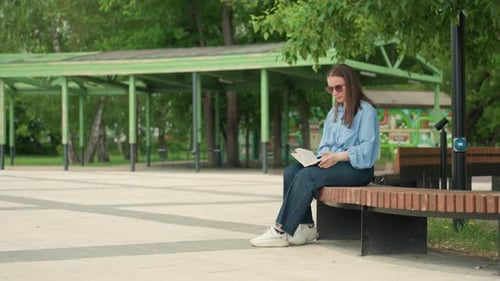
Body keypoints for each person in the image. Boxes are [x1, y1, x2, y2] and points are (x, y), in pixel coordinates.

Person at [250, 63, 380, 247]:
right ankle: (307, 226)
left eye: (338, 87)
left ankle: (281, 230)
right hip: (334, 164)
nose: (334, 92)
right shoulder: (333, 113)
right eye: (330, 88)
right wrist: (321, 156)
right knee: (291, 171)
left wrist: (337, 157)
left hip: (358, 169)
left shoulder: (366, 111)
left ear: (350, 85)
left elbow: (367, 151)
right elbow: (325, 145)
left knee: (307, 176)